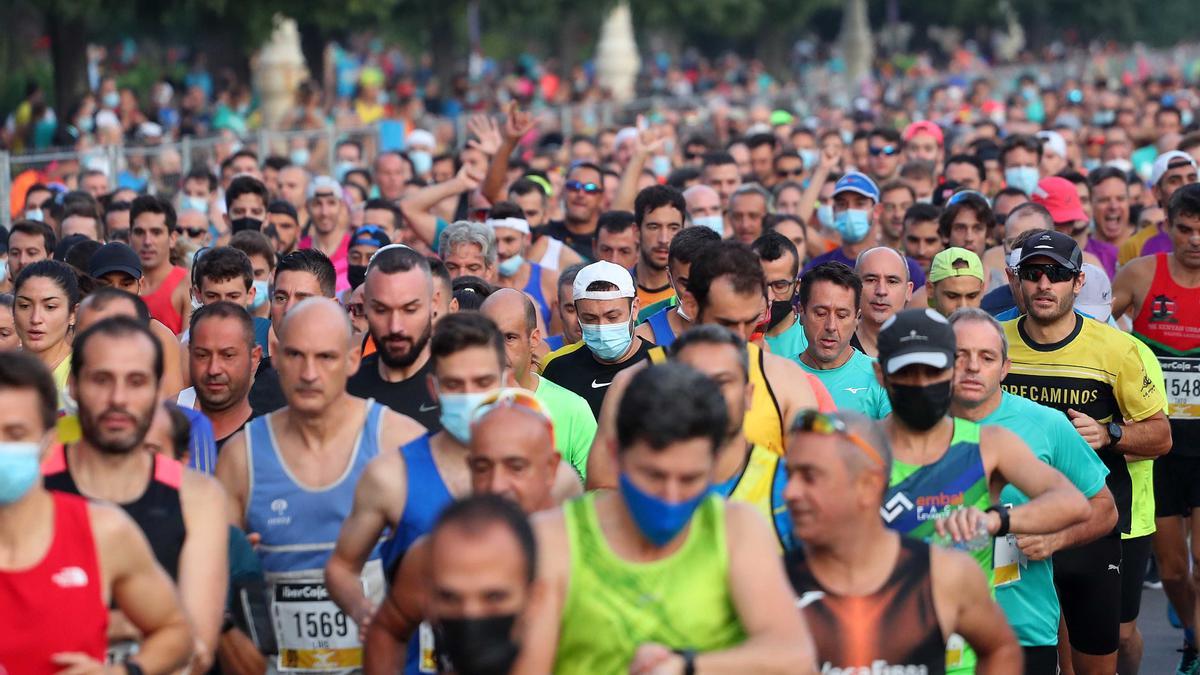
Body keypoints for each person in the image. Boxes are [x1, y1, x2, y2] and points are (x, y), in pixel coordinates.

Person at [517, 362, 817, 674]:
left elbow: (793, 654)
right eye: (653, 476)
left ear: (714, 463)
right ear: (615, 453)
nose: (671, 496)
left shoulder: (735, 529)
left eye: (690, 479)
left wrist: (688, 667)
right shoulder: (557, 540)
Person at [325, 312, 579, 646]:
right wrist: (366, 613)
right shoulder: (391, 476)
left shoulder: (554, 479)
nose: (471, 396)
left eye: (483, 383)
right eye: (455, 385)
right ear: (433, 387)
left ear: (504, 381)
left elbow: (580, 576)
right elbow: (341, 567)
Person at [875, 308, 1090, 673]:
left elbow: (1073, 503)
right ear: (881, 375)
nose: (920, 383)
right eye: (906, 373)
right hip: (884, 651)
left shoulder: (988, 445)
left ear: (947, 373)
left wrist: (996, 519)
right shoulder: (855, 450)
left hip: (968, 658)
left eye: (931, 371)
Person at [216, 298, 425, 672]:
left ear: (351, 359)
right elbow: (218, 584)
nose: (309, 373)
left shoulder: (398, 440)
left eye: (325, 358)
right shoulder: (241, 457)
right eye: (296, 355)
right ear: (276, 354)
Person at [1002, 230, 1171, 675]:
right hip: (1012, 528)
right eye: (1033, 273)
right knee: (1016, 658)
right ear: (1017, 279)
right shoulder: (994, 345)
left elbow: (1161, 436)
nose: (1043, 284)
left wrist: (1110, 433)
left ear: (1077, 283)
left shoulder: (1117, 350)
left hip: (1090, 528)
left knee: (1094, 664)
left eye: (1056, 274)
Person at [42, 316, 229, 672]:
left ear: (158, 393)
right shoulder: (33, 487)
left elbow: (198, 649)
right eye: (102, 380)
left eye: (136, 382)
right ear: (74, 386)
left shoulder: (197, 497)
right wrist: (136, 626)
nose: (118, 399)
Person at [783, 409, 1023, 673]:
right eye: (789, 475)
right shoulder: (773, 583)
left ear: (868, 485)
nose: (789, 492)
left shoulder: (942, 574)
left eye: (810, 477)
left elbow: (1001, 649)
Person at [0, 350, 195, 675]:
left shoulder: (101, 531)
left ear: (48, 443)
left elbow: (177, 631)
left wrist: (123, 672)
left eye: (16, 434)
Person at [948, 308, 1118, 674]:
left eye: (987, 357)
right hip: (938, 626)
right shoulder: (913, 426)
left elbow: (1104, 507)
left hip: (1022, 630)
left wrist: (1056, 539)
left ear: (1005, 368)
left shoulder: (1046, 424)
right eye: (960, 355)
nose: (973, 367)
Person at [363, 393, 562, 674]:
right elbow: (387, 629)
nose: (497, 484)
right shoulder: (436, 552)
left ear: (550, 468)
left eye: (515, 467)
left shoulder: (582, 556)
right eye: (483, 467)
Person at [1110, 183, 1200, 673]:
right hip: (1155, 444)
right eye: (1184, 230)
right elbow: (1099, 331)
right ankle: (1192, 633)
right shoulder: (1142, 275)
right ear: (1167, 227)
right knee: (1171, 569)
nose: (1195, 241)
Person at [480, 288, 596, 478]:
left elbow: (600, 491)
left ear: (534, 339)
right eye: (487, 338)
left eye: (509, 338)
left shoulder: (573, 409)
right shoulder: (463, 405)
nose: (497, 350)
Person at [346, 246, 444, 431]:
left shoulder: (460, 386)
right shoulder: (346, 388)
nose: (395, 326)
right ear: (365, 306)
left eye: (410, 310)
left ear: (434, 304)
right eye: (381, 310)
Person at [541, 260, 655, 417]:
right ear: (578, 315)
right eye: (590, 318)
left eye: (612, 317)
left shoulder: (662, 364)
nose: (602, 327)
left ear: (634, 309)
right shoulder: (558, 370)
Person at [796, 262, 890, 418]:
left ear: (856, 319)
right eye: (820, 313)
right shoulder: (779, 374)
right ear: (801, 312)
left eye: (841, 316)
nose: (831, 326)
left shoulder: (879, 377)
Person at [181, 301, 263, 450]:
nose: (214, 369)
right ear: (190, 353)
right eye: (202, 355)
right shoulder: (165, 439)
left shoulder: (271, 444)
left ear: (254, 357)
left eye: (228, 355)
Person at [634, 226, 721, 348]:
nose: (695, 293)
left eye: (704, 281)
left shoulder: (741, 326)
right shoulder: (644, 338)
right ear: (670, 278)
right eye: (686, 284)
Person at [1119, 151, 1198, 266]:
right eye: (1174, 181)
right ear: (1156, 192)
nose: (1186, 185)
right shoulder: (1135, 245)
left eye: (1191, 178)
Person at [486, 203, 559, 328]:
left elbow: (558, 338)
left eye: (509, 240)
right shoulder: (482, 282)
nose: (501, 249)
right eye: (494, 241)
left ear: (527, 239)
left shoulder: (550, 280)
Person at [131, 195, 190, 335]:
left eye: (156, 232)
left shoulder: (188, 285)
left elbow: (189, 349)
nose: (147, 241)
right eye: (139, 232)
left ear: (172, 238)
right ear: (129, 236)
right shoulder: (116, 283)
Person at [751, 231, 810, 360]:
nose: (769, 296)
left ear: (797, 286)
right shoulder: (733, 339)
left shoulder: (813, 342)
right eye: (759, 284)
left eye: (780, 286)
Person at [852, 247, 914, 357]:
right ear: (854, 287)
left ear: (908, 291)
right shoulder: (836, 345)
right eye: (871, 280)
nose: (881, 291)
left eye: (892, 281)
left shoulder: (922, 348)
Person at [631, 185, 686, 308]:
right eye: (654, 227)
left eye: (673, 228)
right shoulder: (618, 290)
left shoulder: (691, 295)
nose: (664, 239)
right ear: (636, 231)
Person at [540, 162, 606, 261]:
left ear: (601, 197)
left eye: (590, 189)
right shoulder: (543, 235)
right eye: (573, 186)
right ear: (563, 191)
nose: (581, 194)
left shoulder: (607, 244)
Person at [298, 176, 352, 292]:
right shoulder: (300, 249)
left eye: (331, 203)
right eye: (317, 204)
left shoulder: (354, 249)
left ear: (341, 206)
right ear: (307, 207)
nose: (324, 212)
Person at [928, 247, 986, 318]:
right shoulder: (916, 328)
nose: (963, 307)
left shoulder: (995, 328)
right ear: (930, 290)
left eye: (972, 296)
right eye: (952, 296)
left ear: (982, 290)